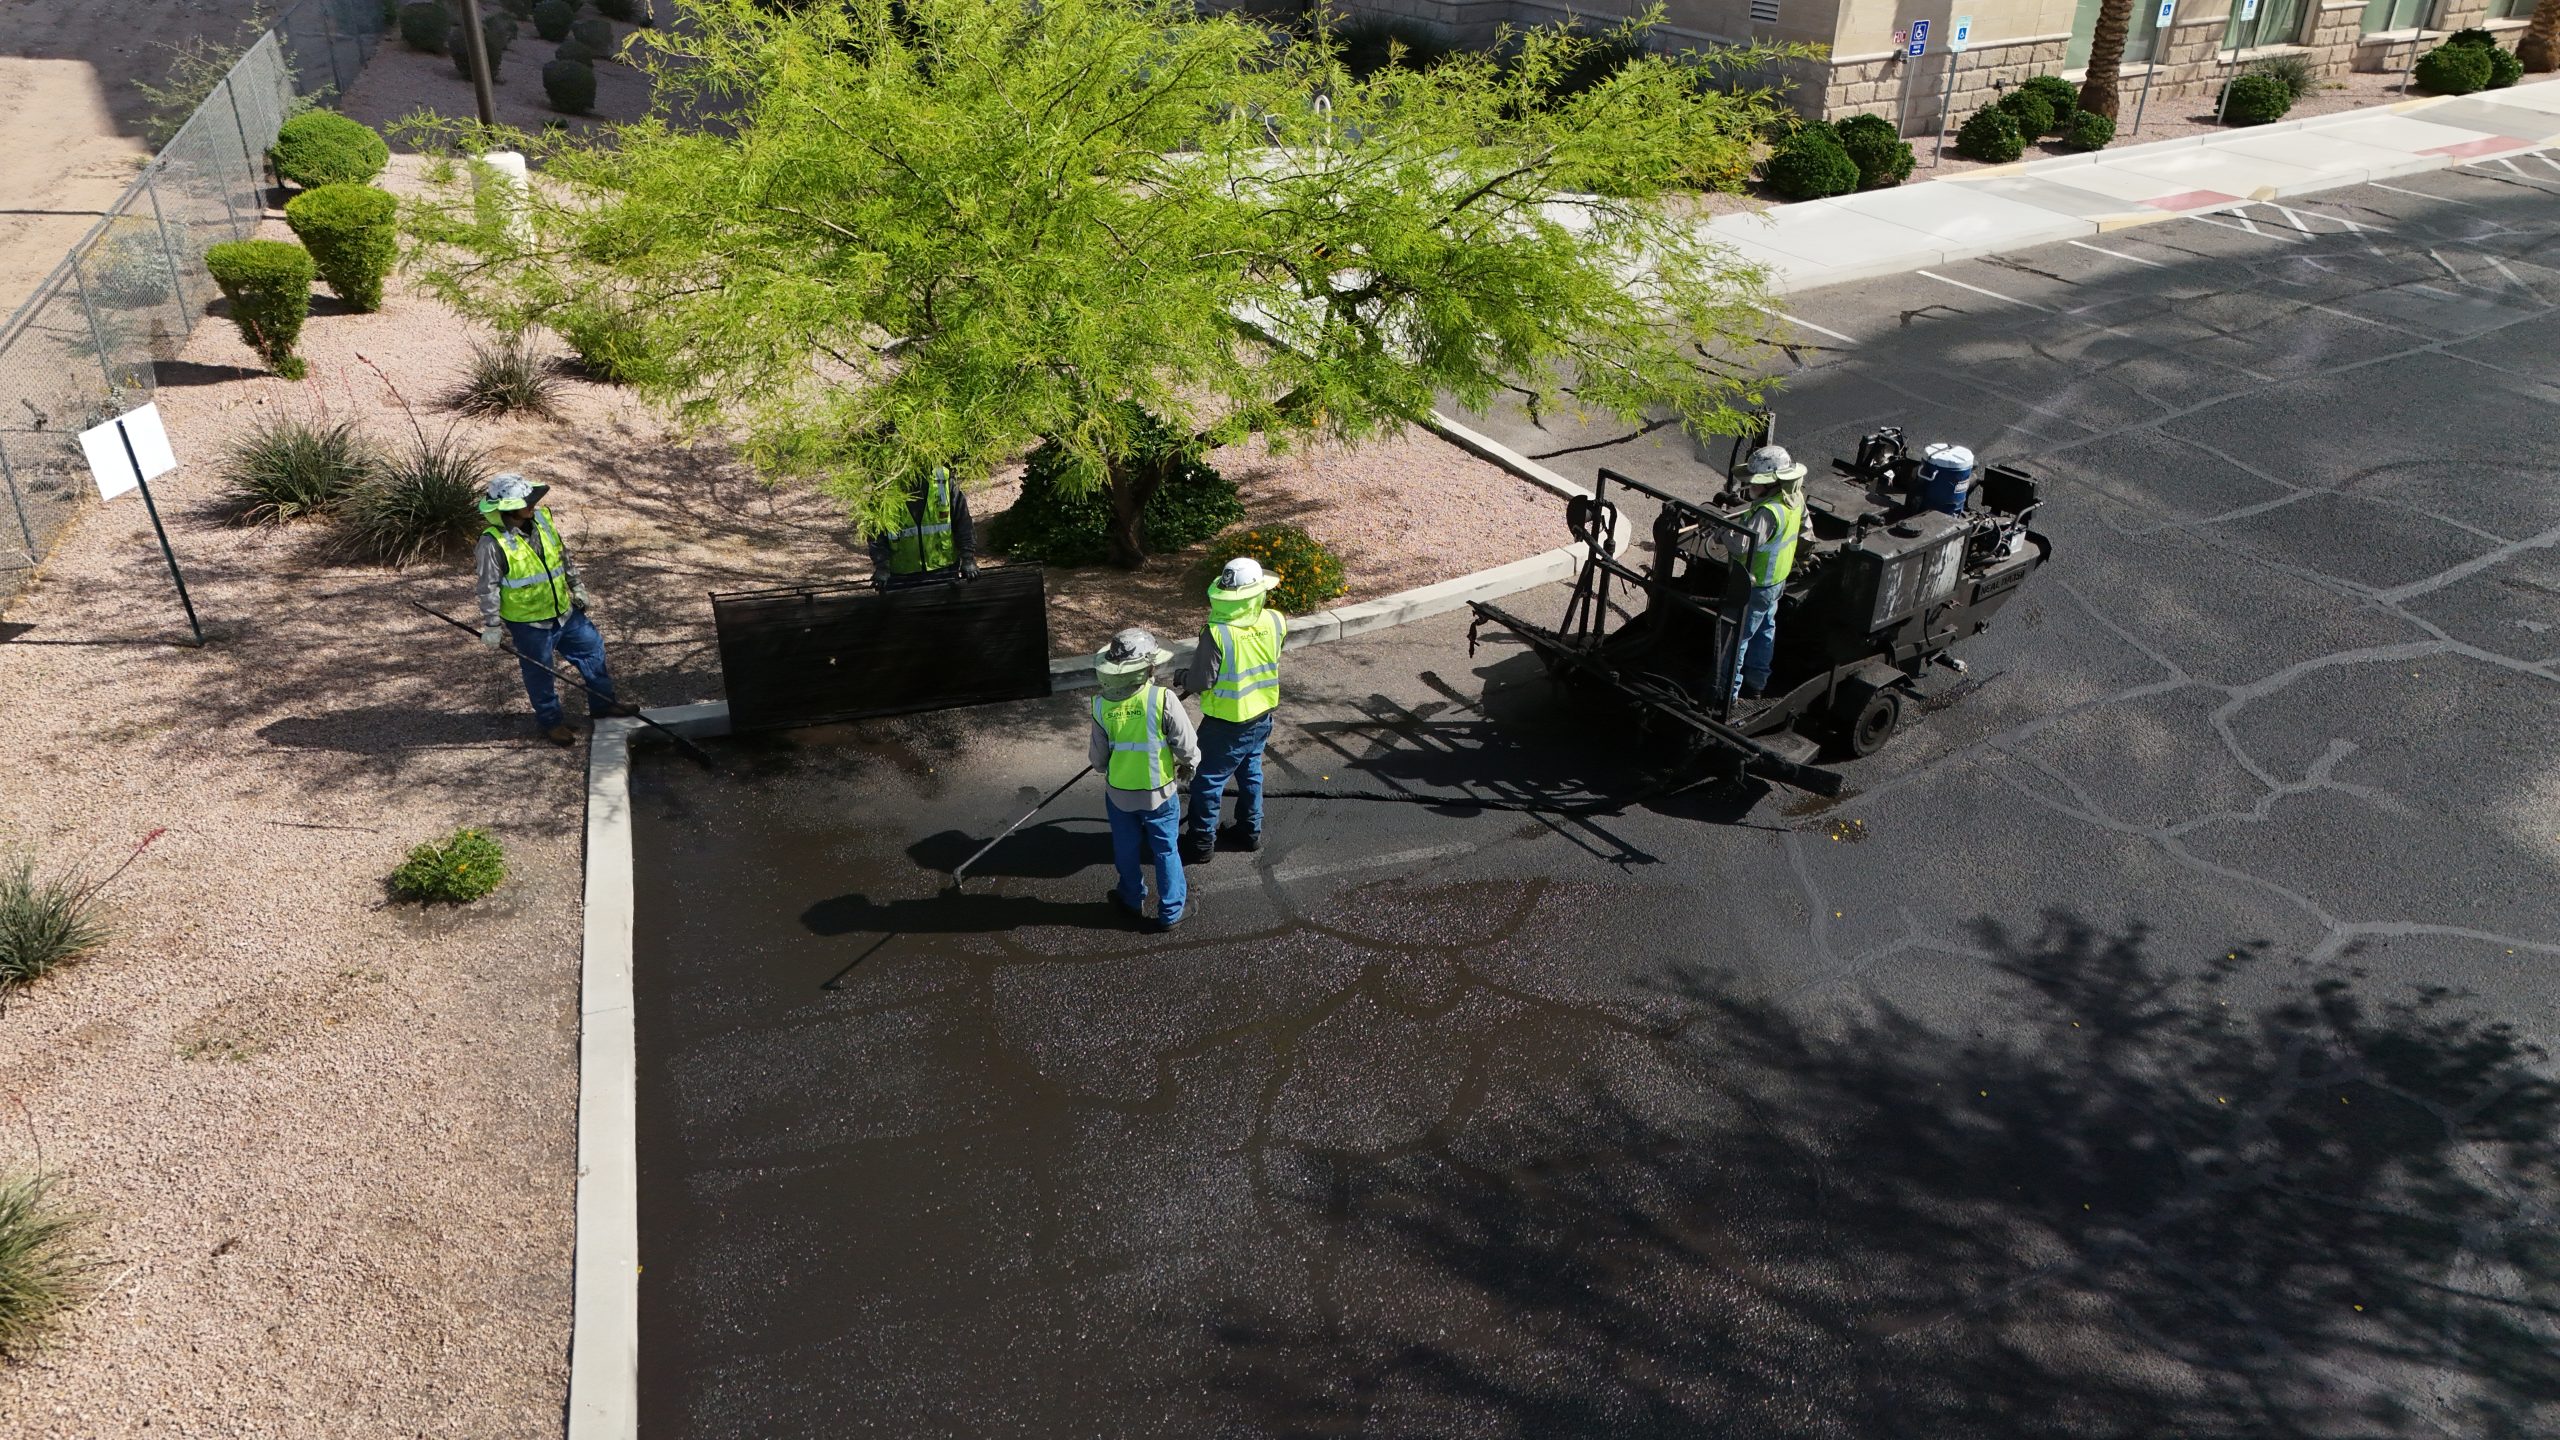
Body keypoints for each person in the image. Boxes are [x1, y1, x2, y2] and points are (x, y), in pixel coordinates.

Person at [474, 473, 638, 745]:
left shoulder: (542, 521)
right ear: (507, 508)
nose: (532, 504)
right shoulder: (491, 544)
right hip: (529, 624)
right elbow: (487, 587)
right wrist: (491, 626)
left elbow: (563, 557)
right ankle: (551, 722)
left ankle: (604, 705)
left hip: (565, 611)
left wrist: (578, 587)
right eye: (526, 501)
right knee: (540, 672)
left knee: (592, 650)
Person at [1088, 627, 1200, 932]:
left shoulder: (1100, 706)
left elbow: (1098, 762)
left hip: (1119, 796)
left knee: (1125, 848)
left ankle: (1130, 897)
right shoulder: (1162, 699)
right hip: (1159, 795)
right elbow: (1187, 746)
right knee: (1165, 849)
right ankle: (1172, 910)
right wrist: (1189, 767)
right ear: (1149, 667)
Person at [1178, 556, 1285, 864]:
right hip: (1262, 715)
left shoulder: (1217, 633)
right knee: (1251, 772)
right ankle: (1249, 832)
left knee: (1207, 781)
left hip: (1226, 723)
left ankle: (1200, 842)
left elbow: (1202, 680)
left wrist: (1183, 676)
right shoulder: (1275, 620)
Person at [1728, 444, 1807, 702]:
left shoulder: (1767, 512)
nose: (1750, 487)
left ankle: (1727, 694)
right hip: (1776, 582)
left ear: (1771, 484)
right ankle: (1757, 684)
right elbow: (1807, 533)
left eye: (1755, 483)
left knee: (1738, 637)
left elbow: (1742, 544)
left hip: (1756, 585)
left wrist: (1719, 531)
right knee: (1765, 631)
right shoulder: (1794, 500)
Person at [867, 463, 978, 588]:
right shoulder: (885, 486)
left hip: (944, 569)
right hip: (900, 574)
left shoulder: (944, 479)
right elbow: (876, 531)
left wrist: (968, 558)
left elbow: (963, 522)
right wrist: (882, 565)